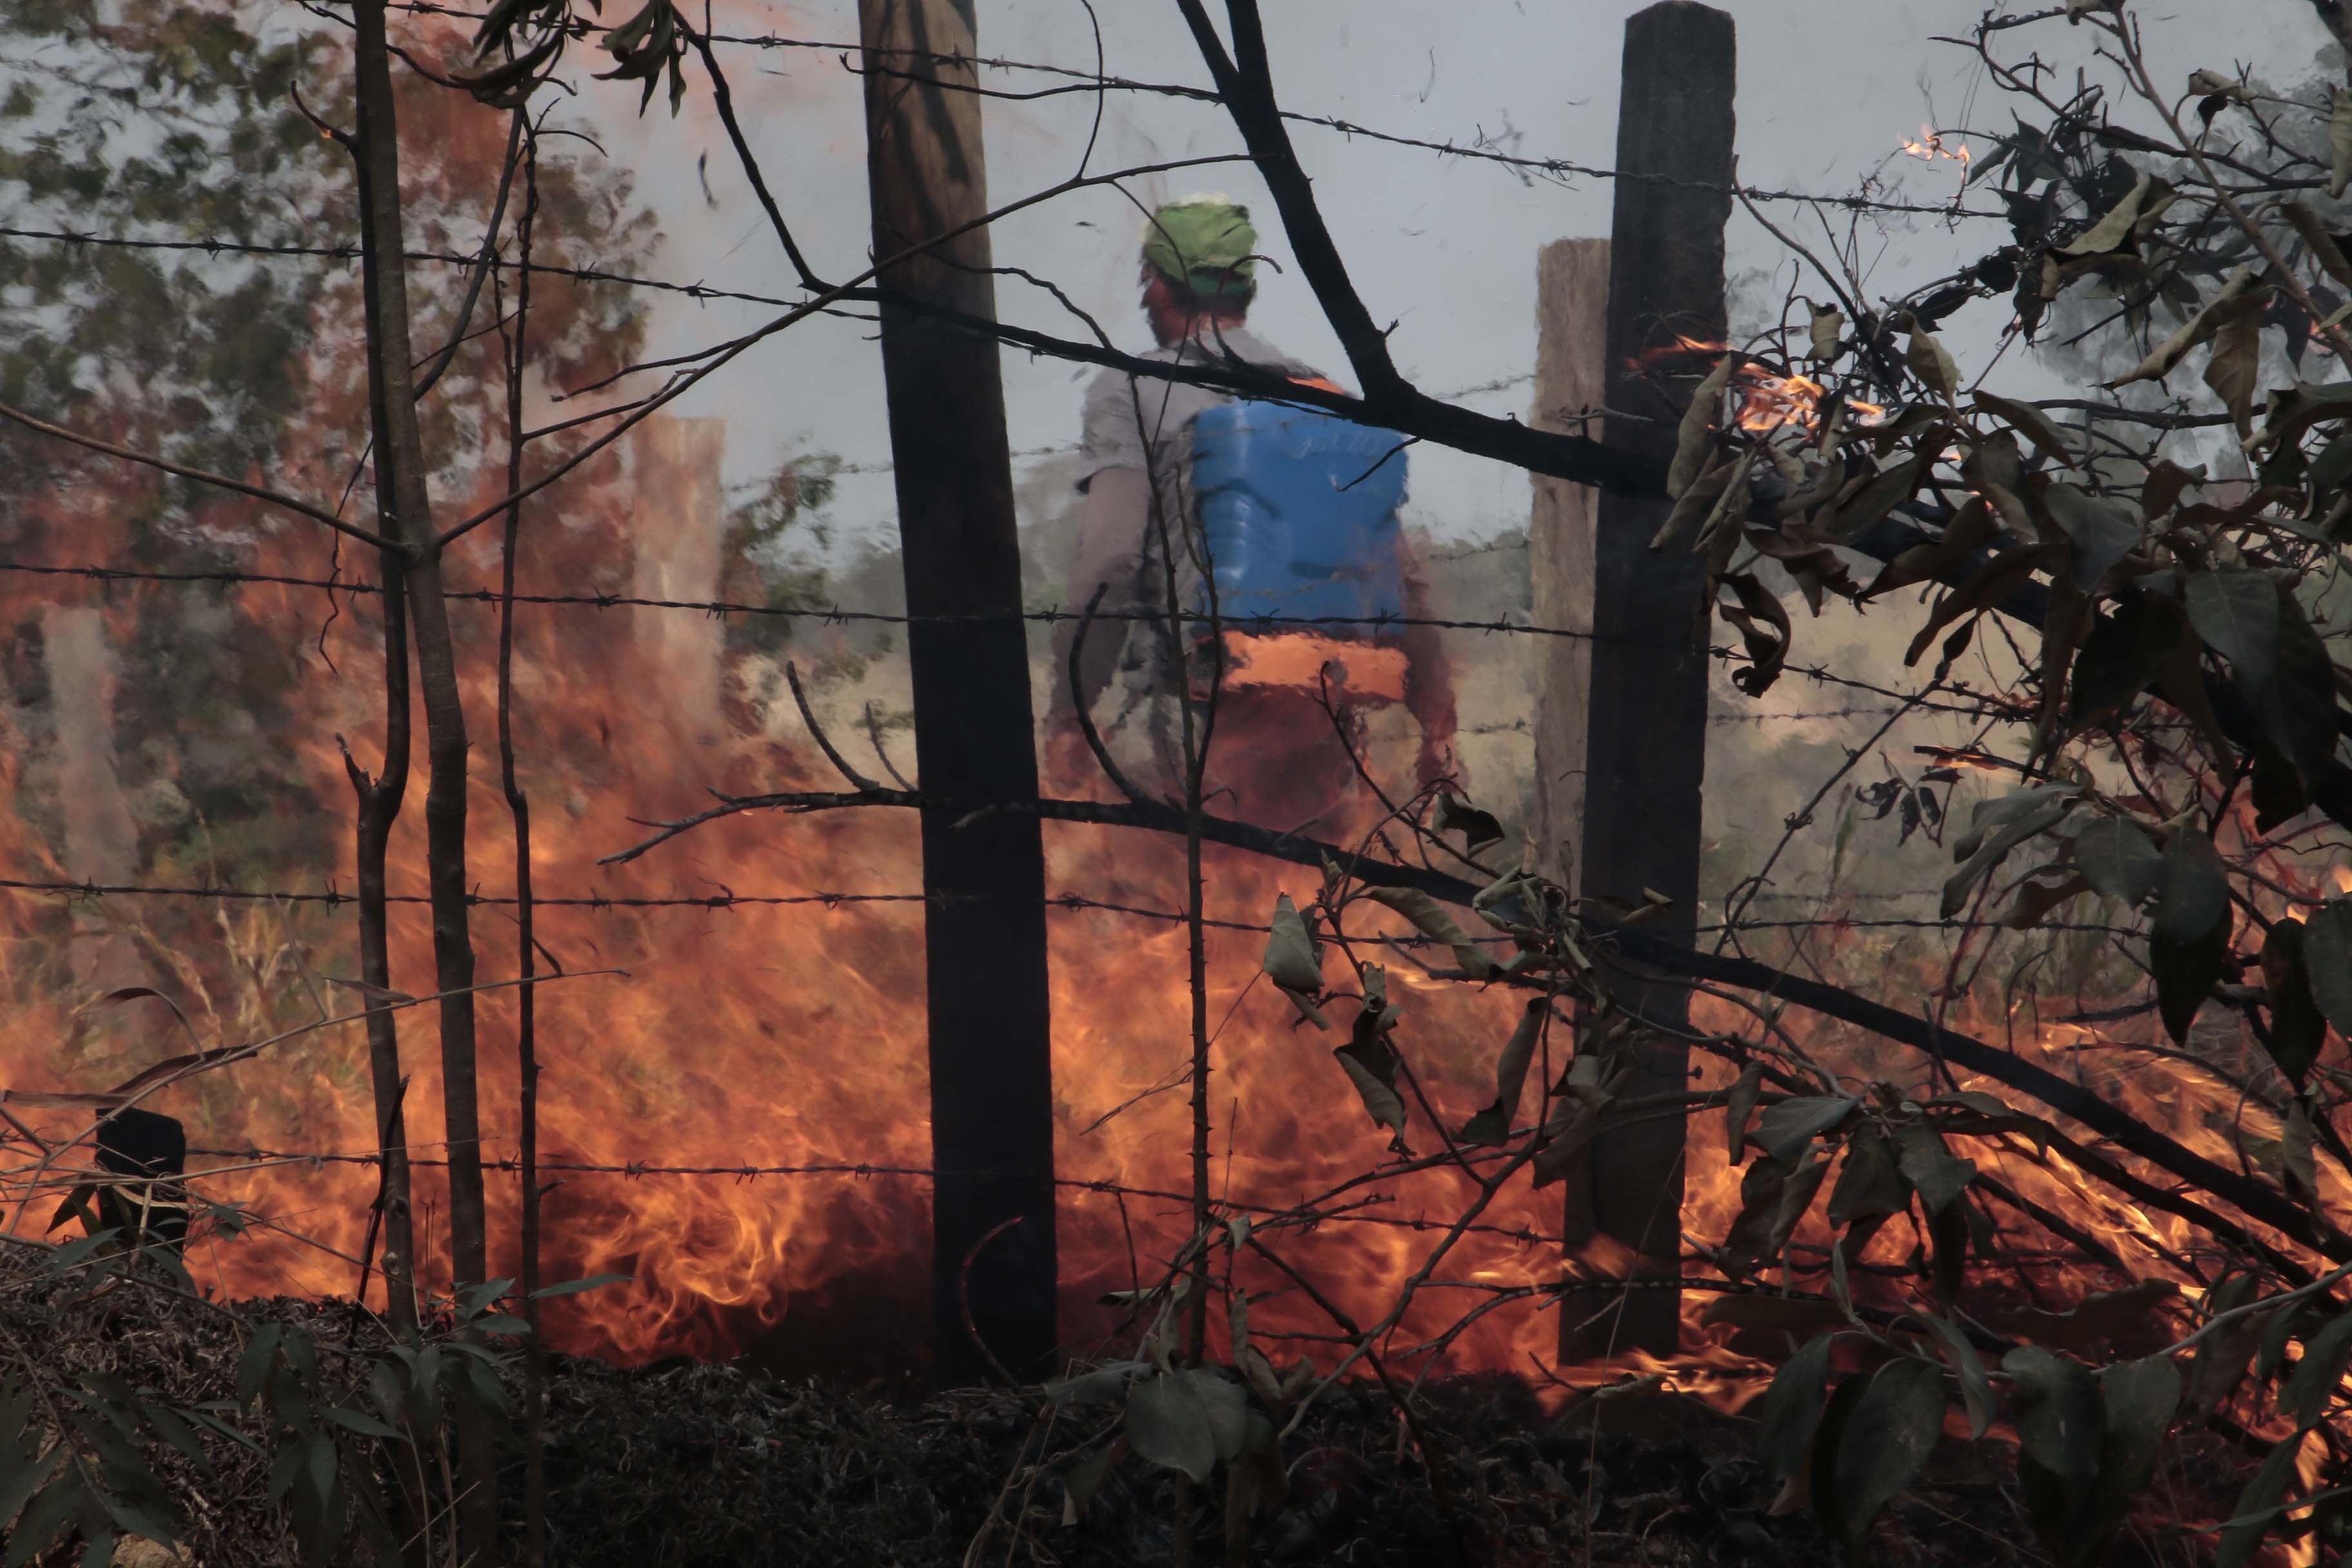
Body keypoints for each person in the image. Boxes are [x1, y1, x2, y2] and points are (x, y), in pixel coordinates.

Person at [1050, 195, 1456, 819]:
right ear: (1245, 289)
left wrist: (1070, 713)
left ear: (1159, 287)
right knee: (1300, 903)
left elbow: (1111, 559)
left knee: (1176, 901)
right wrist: (1437, 724)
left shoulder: (1131, 390)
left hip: (1193, 725)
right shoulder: (1325, 396)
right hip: (1321, 723)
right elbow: (1402, 575)